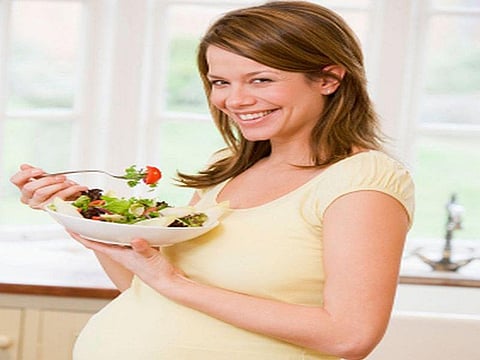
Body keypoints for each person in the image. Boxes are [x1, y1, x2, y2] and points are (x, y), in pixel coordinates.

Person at [10, 1, 414, 359]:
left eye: (261, 79)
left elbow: (349, 337)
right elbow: (146, 287)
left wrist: (171, 282)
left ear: (329, 79)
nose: (233, 100)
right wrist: (90, 215)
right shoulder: (230, 167)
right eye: (221, 82)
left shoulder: (362, 180)